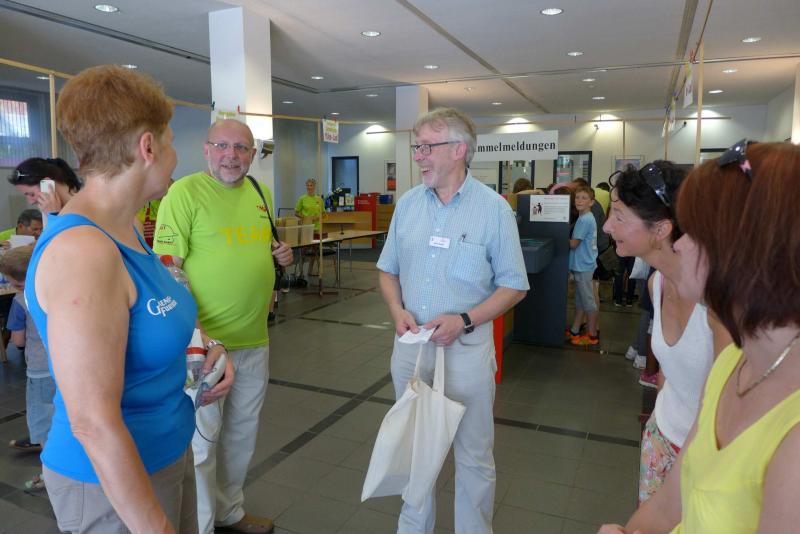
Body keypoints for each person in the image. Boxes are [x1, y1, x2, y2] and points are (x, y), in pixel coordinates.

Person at [25, 65, 233, 533]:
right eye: (172, 142)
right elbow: (92, 422)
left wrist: (206, 349)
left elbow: (146, 320)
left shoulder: (127, 226)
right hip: (110, 485)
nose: (176, 157)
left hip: (165, 451)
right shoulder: (83, 252)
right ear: (148, 147)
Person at [598, 141, 800, 533]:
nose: (682, 242)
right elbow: (667, 508)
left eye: (698, 231)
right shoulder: (732, 369)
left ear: (750, 251)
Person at [377, 107, 528, 533]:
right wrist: (396, 310)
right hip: (411, 352)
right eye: (417, 147)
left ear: (459, 150)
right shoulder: (408, 205)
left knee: (474, 456)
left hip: (466, 353)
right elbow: (387, 271)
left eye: (427, 147)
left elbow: (514, 285)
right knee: (413, 453)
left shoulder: (493, 210)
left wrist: (464, 319)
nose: (418, 156)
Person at [154, 118, 293, 534]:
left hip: (254, 339)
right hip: (206, 346)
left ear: (252, 154)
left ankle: (229, 510)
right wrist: (201, 337)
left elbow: (255, 249)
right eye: (222, 146)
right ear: (206, 149)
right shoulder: (184, 193)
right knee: (202, 444)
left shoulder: (260, 192)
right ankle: (200, 526)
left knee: (241, 437)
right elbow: (168, 270)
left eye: (241, 148)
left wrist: (281, 255)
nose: (231, 155)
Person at [602, 160, 730, 504]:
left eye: (619, 217)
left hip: (709, 454)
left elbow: (726, 403)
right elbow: (668, 372)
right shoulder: (657, 284)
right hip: (662, 437)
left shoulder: (717, 302)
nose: (607, 226)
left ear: (661, 229)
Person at [2, 245, 55, 491]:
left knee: (44, 423)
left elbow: (18, 341)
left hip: (40, 369)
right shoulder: (55, 289)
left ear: (16, 282)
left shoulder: (19, 301)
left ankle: (51, 474)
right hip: (65, 365)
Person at [567, 185, 599, 345]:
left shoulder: (585, 220)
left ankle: (592, 335)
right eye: (577, 197)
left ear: (591, 202)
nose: (579, 200)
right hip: (583, 264)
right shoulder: (585, 217)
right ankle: (575, 329)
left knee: (588, 301)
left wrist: (558, 236)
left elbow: (574, 244)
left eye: (584, 198)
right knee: (580, 300)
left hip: (583, 265)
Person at [7, 156, 82, 225]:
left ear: (47, 184)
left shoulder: (81, 211)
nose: (31, 202)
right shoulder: (63, 213)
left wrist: (53, 217)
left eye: (32, 194)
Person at [295, 178, 325, 278]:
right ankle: (301, 271)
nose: (309, 187)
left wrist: (318, 217)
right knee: (304, 249)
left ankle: (311, 270)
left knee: (315, 249)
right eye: (307, 185)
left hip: (317, 227)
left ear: (314, 186)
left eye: (311, 185)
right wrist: (304, 217)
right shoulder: (302, 199)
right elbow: (296, 212)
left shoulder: (319, 199)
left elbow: (323, 213)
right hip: (306, 227)